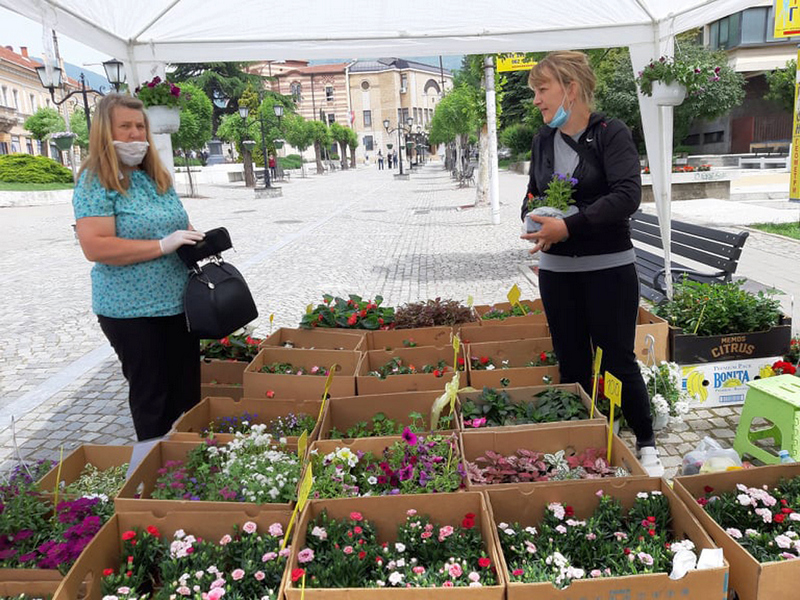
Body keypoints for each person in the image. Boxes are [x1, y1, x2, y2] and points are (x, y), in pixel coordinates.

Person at [519, 51, 663, 477]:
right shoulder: (543, 140)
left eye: (541, 90)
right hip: (559, 274)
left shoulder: (610, 133)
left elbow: (627, 196)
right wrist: (533, 220)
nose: (536, 101)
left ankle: (646, 440)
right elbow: (531, 192)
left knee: (618, 357)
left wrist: (570, 226)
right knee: (571, 360)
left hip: (608, 269)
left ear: (571, 88)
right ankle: (580, 441)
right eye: (534, 92)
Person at [72, 93, 204, 441]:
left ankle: (194, 464)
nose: (135, 134)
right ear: (105, 130)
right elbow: (95, 245)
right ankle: (156, 474)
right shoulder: (95, 182)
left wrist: (192, 237)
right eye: (125, 126)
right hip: (130, 311)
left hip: (177, 303)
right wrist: (161, 245)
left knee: (188, 393)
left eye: (140, 126)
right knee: (153, 398)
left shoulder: (155, 177)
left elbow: (178, 223)